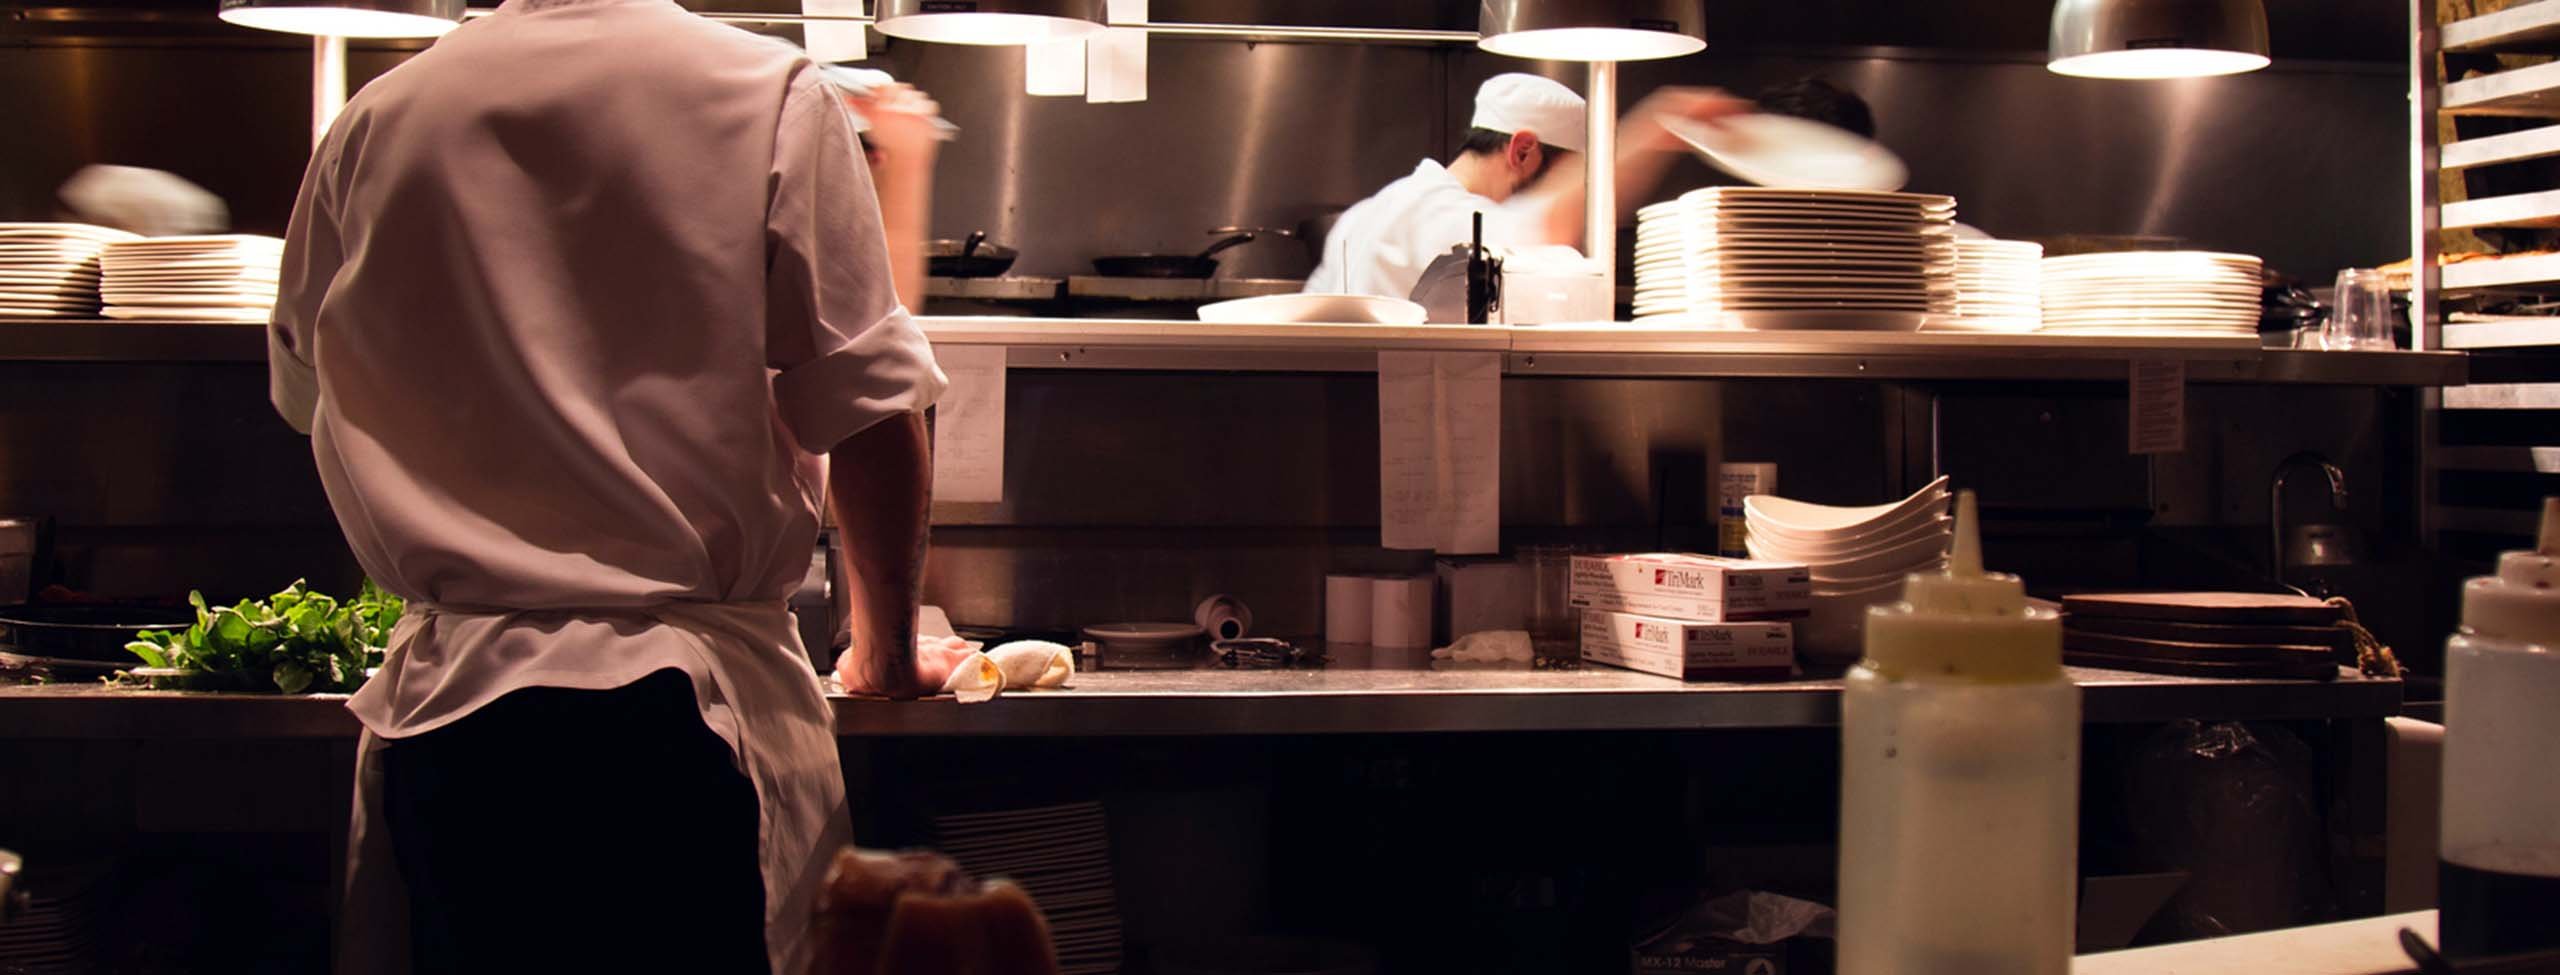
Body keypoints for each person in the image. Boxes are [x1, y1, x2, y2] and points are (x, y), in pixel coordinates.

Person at [266, 0, 952, 971]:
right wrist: (884, 652)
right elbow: (871, 407)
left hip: (456, 723)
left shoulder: (379, 115)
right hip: (682, 727)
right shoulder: (767, 94)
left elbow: (305, 390)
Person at [1305, 72, 1747, 300]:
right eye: (1569, 179)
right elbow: (1545, 224)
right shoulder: (1438, 214)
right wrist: (1661, 123)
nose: (1575, 195)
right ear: (1522, 151)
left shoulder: (1365, 214)